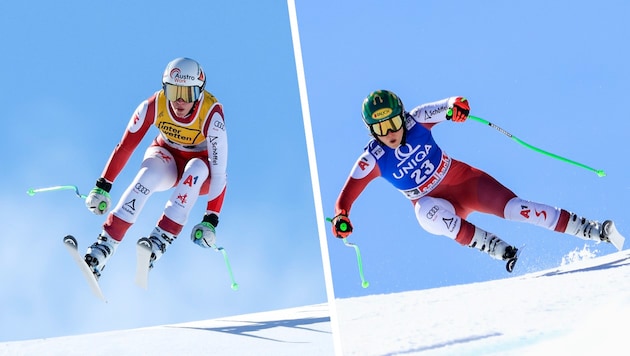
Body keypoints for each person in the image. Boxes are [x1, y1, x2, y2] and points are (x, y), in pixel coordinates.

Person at [330, 89, 623, 272]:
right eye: (380, 128)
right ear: (371, 131)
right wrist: (341, 218)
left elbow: (450, 103)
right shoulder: (372, 157)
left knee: (519, 209)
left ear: (401, 116)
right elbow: (346, 198)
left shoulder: (416, 120)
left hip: (465, 183)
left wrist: (458, 107)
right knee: (424, 212)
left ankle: (593, 230)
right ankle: (497, 248)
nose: (390, 132)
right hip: (435, 204)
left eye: (393, 122)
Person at [83, 57, 228, 278]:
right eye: (173, 92)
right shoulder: (154, 105)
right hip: (167, 157)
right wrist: (103, 186)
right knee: (148, 176)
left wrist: (211, 220)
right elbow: (125, 147)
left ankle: (158, 242)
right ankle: (104, 247)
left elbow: (219, 173)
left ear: (199, 94)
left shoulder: (211, 114)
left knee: (197, 168)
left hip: (201, 171)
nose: (179, 101)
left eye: (188, 94)